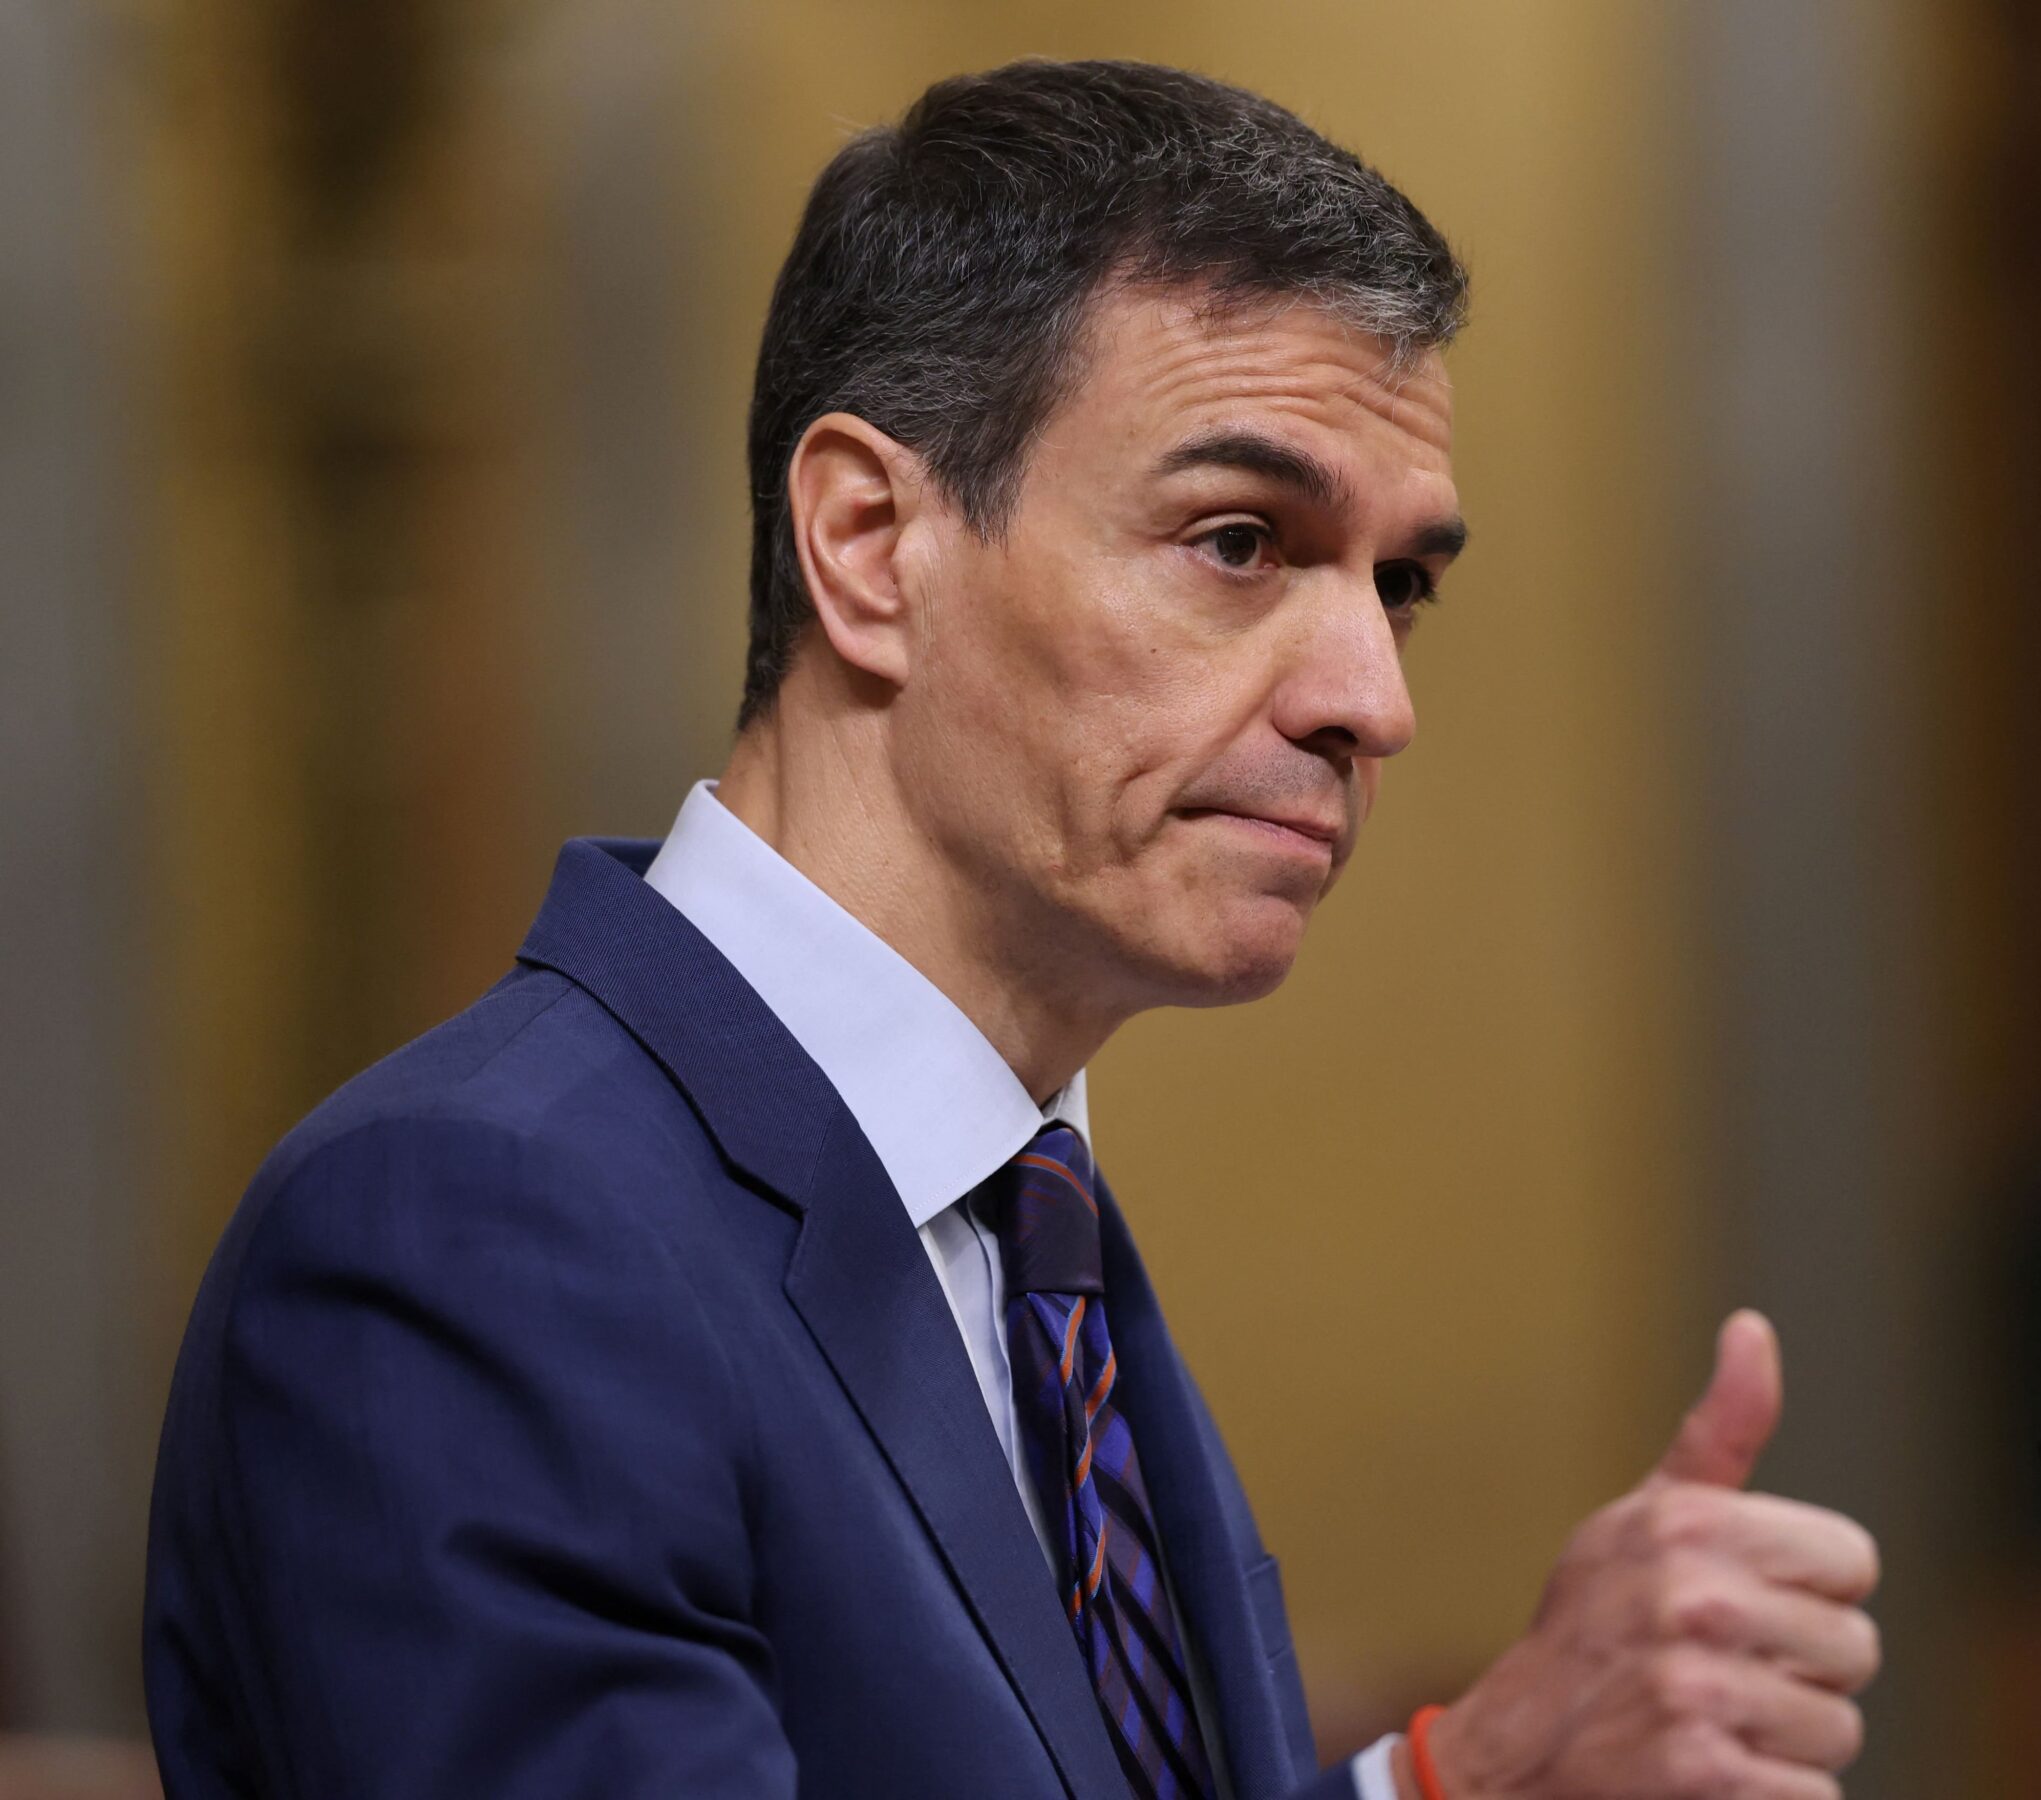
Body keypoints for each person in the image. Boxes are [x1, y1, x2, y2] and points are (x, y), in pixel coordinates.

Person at [143, 58, 1881, 1800]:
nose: (1373, 699)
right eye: (1239, 540)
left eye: (1401, 582)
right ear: (869, 542)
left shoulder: (1026, 1224)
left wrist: (1461, 1785)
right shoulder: (475, 1227)